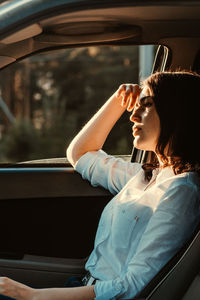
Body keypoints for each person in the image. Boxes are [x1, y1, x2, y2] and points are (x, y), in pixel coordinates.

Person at [1, 70, 200, 300]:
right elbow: (80, 154)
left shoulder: (181, 190)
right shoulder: (145, 175)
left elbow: (133, 286)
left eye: (146, 106)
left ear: (176, 113)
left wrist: (32, 295)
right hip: (83, 285)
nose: (133, 115)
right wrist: (117, 100)